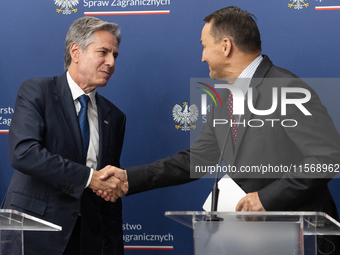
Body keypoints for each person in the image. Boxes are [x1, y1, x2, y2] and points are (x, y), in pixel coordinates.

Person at [97, 6, 340, 254]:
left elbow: (327, 156)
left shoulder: (287, 87)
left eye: (204, 45)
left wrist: (267, 199)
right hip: (250, 239)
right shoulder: (225, 101)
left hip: (301, 239)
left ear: (225, 46)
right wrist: (130, 179)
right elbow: (195, 160)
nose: (202, 57)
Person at [1, 17, 128, 255]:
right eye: (103, 52)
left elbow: (109, 192)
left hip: (86, 239)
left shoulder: (115, 117)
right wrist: (89, 178)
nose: (111, 62)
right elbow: (24, 153)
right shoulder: (37, 92)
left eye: (115, 55)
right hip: (33, 234)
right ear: (76, 51)